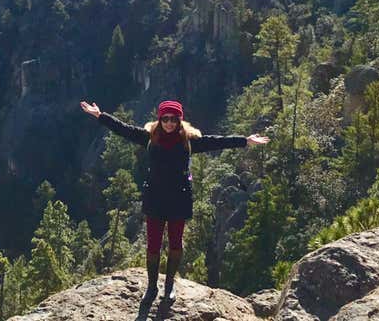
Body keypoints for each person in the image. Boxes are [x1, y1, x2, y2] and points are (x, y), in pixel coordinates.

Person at [80, 99, 269, 313]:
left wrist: (245, 141)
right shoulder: (150, 138)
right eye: (165, 119)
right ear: (160, 120)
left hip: (179, 198)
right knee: (153, 244)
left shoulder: (188, 141)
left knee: (175, 244)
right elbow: (123, 129)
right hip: (155, 198)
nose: (169, 123)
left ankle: (169, 285)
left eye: (173, 119)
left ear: (180, 120)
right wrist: (99, 115)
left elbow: (217, 141)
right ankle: (152, 287)